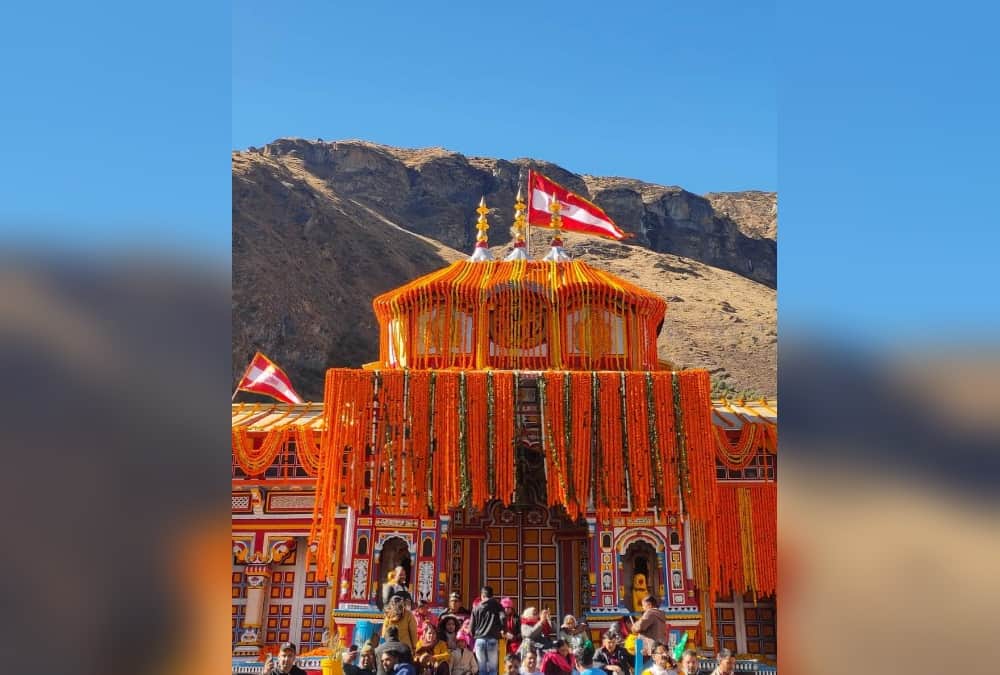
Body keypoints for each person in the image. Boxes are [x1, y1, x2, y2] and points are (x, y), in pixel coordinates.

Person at [471, 585, 505, 675]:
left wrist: (474, 635)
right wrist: (503, 630)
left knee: (482, 670)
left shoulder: (476, 607)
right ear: (492, 595)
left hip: (480, 640)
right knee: (493, 669)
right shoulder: (498, 605)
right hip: (492, 639)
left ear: (482, 595)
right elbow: (503, 618)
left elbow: (471, 626)